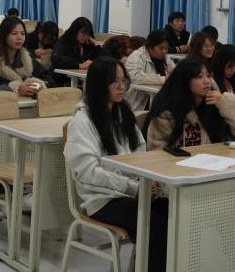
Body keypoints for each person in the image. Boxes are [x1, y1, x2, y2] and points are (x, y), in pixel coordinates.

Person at [63, 57, 169, 272]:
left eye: (123, 81)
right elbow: (88, 173)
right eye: (114, 82)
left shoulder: (123, 113)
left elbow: (139, 152)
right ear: (99, 85)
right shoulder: (83, 122)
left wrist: (146, 181)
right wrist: (133, 187)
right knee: (155, 225)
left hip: (130, 192)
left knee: (172, 211)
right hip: (101, 199)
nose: (121, 87)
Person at [145, 57, 235, 150]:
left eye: (208, 75)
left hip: (215, 163)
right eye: (199, 77)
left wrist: (226, 102)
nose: (207, 81)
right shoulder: (167, 112)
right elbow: (157, 153)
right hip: (181, 167)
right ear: (184, 81)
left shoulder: (215, 104)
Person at [0, 16, 48, 96]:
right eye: (14, 33)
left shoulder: (27, 58)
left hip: (27, 102)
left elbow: (47, 77)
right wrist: (15, 89)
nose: (19, 38)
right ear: (4, 35)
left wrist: (39, 85)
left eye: (23, 33)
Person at [124, 29, 175, 111]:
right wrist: (164, 79)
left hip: (159, 99)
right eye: (161, 48)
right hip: (138, 104)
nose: (164, 51)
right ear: (150, 46)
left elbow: (175, 72)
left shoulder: (165, 57)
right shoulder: (137, 56)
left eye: (166, 48)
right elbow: (136, 77)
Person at [51, 17, 102, 82]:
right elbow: (56, 59)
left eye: (88, 33)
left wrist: (96, 44)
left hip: (82, 79)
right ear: (75, 31)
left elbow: (104, 60)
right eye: (83, 32)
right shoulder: (64, 40)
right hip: (62, 79)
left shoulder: (89, 43)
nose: (86, 36)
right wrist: (79, 65)